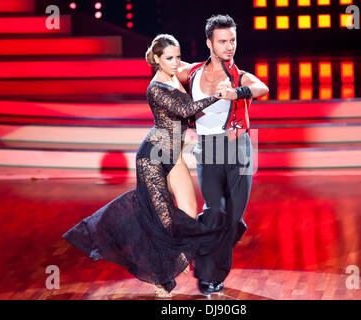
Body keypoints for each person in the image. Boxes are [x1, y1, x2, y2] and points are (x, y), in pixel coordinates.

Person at [62, 34, 235, 298]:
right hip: (152, 158)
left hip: (174, 156)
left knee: (188, 213)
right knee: (162, 222)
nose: (176, 62)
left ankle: (178, 258)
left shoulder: (175, 71)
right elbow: (188, 109)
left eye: (178, 56)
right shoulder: (155, 88)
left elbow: (200, 68)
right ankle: (160, 279)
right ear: (156, 60)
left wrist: (218, 59)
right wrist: (219, 95)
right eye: (170, 58)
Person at [176, 14, 269, 295]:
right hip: (208, 148)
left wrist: (236, 93)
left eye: (233, 40)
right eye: (223, 41)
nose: (229, 46)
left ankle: (210, 250)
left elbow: (262, 88)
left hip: (238, 146)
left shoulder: (239, 76)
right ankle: (209, 274)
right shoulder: (191, 73)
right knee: (214, 210)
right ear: (209, 43)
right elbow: (162, 66)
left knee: (232, 219)